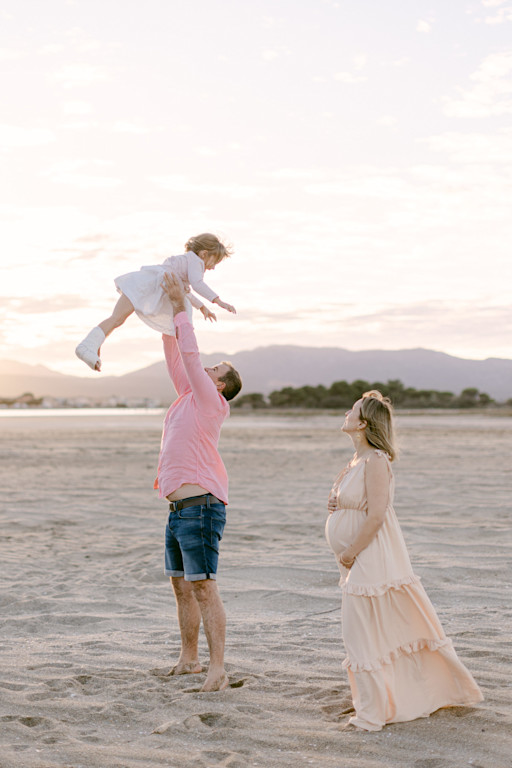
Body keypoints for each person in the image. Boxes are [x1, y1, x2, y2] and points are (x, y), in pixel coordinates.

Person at [325, 390, 483, 731]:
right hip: (358, 554)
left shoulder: (376, 460)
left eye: (351, 411)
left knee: (362, 632)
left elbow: (377, 514)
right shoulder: (355, 460)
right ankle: (378, 701)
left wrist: (351, 551)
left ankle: (372, 713)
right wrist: (336, 504)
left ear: (363, 423)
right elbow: (359, 504)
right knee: (366, 631)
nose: (346, 414)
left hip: (371, 553)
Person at [155, 272, 242, 692]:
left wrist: (179, 309)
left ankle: (217, 669)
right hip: (177, 511)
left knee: (204, 588)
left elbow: (191, 357)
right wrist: (168, 311)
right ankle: (189, 660)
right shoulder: (188, 396)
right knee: (181, 587)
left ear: (220, 385)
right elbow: (178, 355)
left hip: (203, 508)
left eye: (215, 369)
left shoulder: (212, 402)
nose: (206, 367)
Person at [75, 233, 236, 371]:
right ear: (204, 254)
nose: (213, 267)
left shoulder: (186, 262)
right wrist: (218, 301)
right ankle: (87, 347)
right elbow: (197, 284)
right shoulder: (196, 261)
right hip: (149, 286)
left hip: (144, 283)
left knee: (117, 318)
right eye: (215, 261)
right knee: (182, 317)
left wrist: (202, 307)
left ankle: (90, 345)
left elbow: (186, 291)